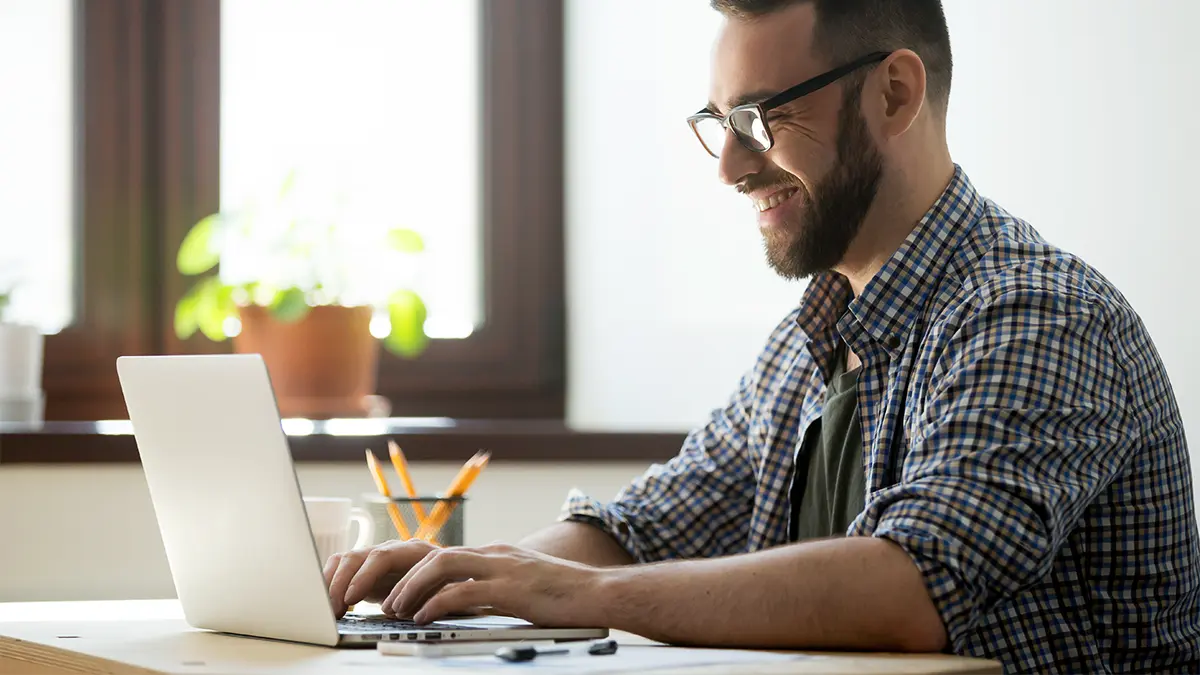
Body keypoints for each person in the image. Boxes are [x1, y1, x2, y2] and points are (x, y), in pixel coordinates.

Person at [323, 1, 1200, 671]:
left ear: (895, 93)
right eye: (718, 123)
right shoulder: (807, 338)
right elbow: (645, 529)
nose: (730, 167)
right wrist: (464, 573)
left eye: (761, 117)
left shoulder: (1036, 313)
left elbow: (915, 583)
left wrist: (571, 593)